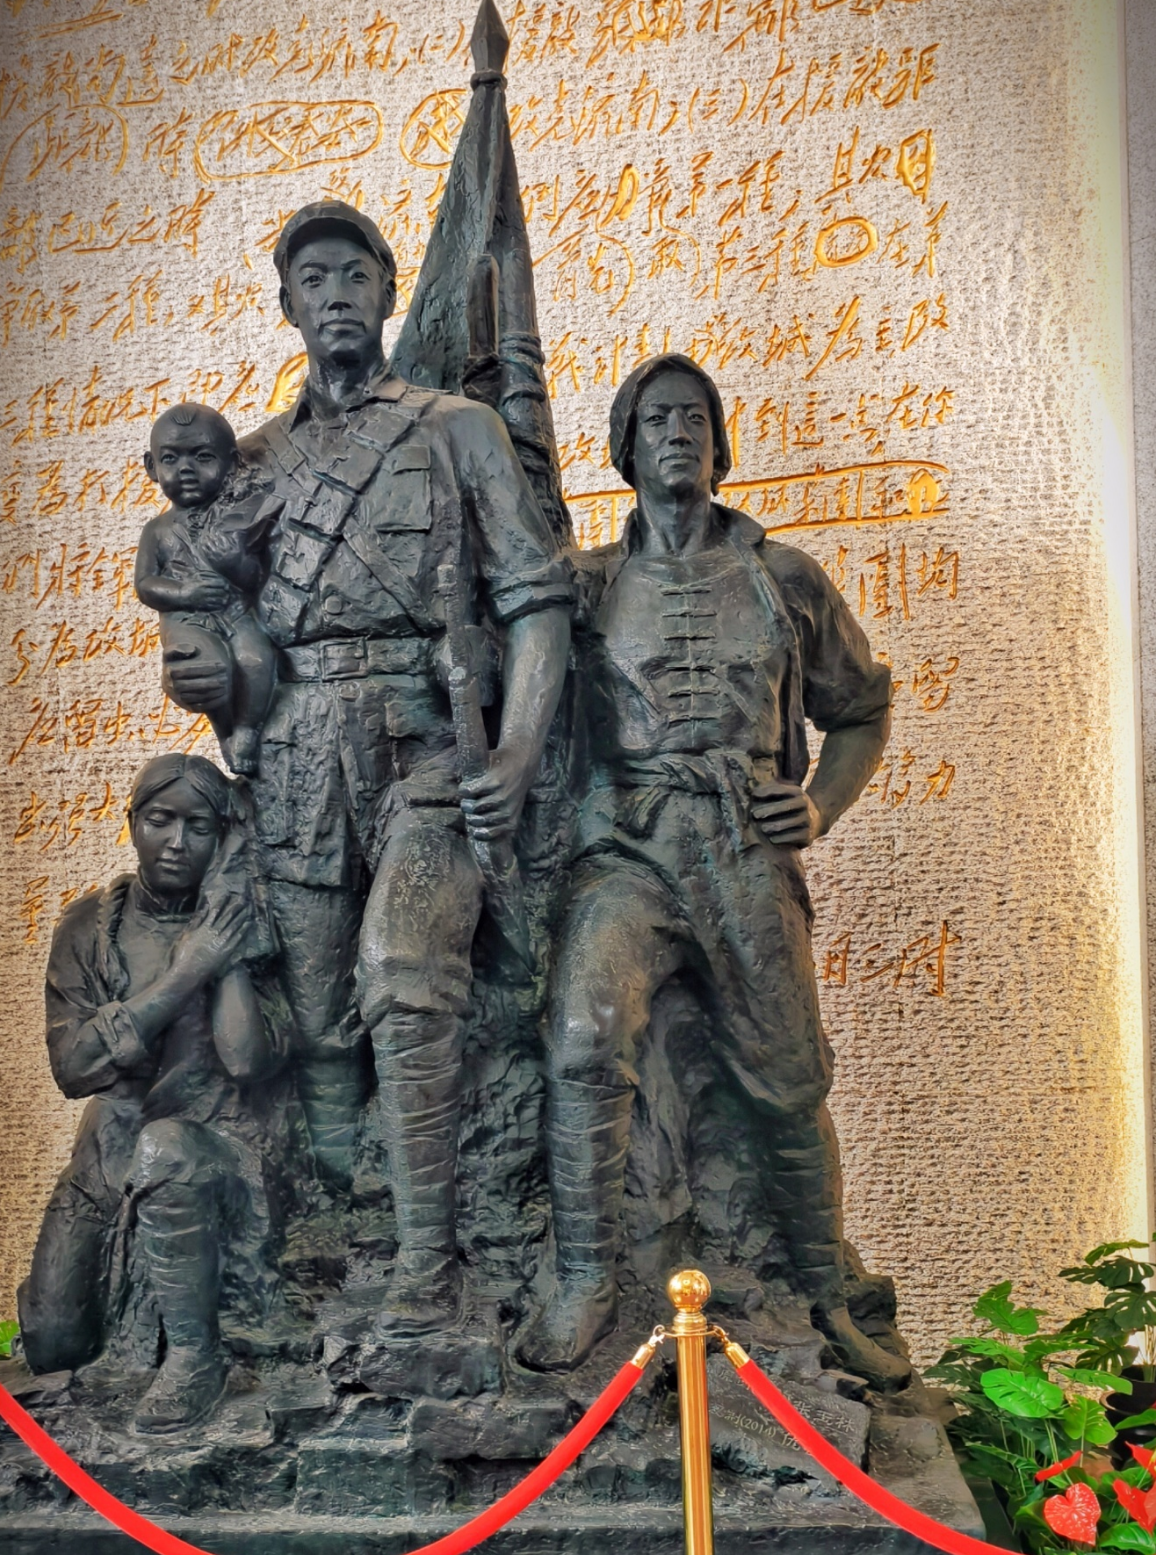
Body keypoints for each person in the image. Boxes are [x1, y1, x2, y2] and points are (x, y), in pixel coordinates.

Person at [161, 201, 572, 1329]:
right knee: (320, 1025)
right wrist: (204, 677)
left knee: (403, 973)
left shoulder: (458, 430)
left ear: (389, 294)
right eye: (313, 279)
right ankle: (343, 1247)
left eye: (355, 274)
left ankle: (428, 1265)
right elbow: (212, 618)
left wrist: (518, 753)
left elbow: (537, 603)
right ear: (287, 306)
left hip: (428, 743)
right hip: (296, 758)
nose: (335, 294)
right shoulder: (245, 465)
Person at [517, 354, 911, 1390]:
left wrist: (817, 804)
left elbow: (862, 708)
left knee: (789, 1075)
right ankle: (584, 1278)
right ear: (626, 446)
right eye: (656, 420)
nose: (677, 434)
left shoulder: (785, 580)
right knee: (583, 1031)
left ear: (720, 443)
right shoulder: (587, 586)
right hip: (627, 849)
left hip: (742, 849)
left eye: (695, 417)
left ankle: (825, 1293)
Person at [17, 755, 294, 1433]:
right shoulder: (91, 928)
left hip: (218, 1142)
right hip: (108, 1154)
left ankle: (195, 1359)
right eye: (160, 820)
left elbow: (246, 1061)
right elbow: (74, 1067)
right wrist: (186, 972)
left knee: (165, 1149)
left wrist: (223, 947)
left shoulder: (248, 925)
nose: (176, 842)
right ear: (133, 823)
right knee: (53, 1343)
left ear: (221, 838)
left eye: (199, 827)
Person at [136, 404, 282, 776]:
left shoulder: (236, 519)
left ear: (232, 464)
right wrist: (185, 594)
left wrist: (234, 563)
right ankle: (225, 731)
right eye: (170, 458)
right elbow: (145, 585)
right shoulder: (158, 531)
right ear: (151, 467)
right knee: (207, 668)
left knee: (256, 660)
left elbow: (257, 578)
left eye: (202, 457)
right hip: (188, 621)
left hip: (235, 612)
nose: (185, 469)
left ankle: (247, 729)